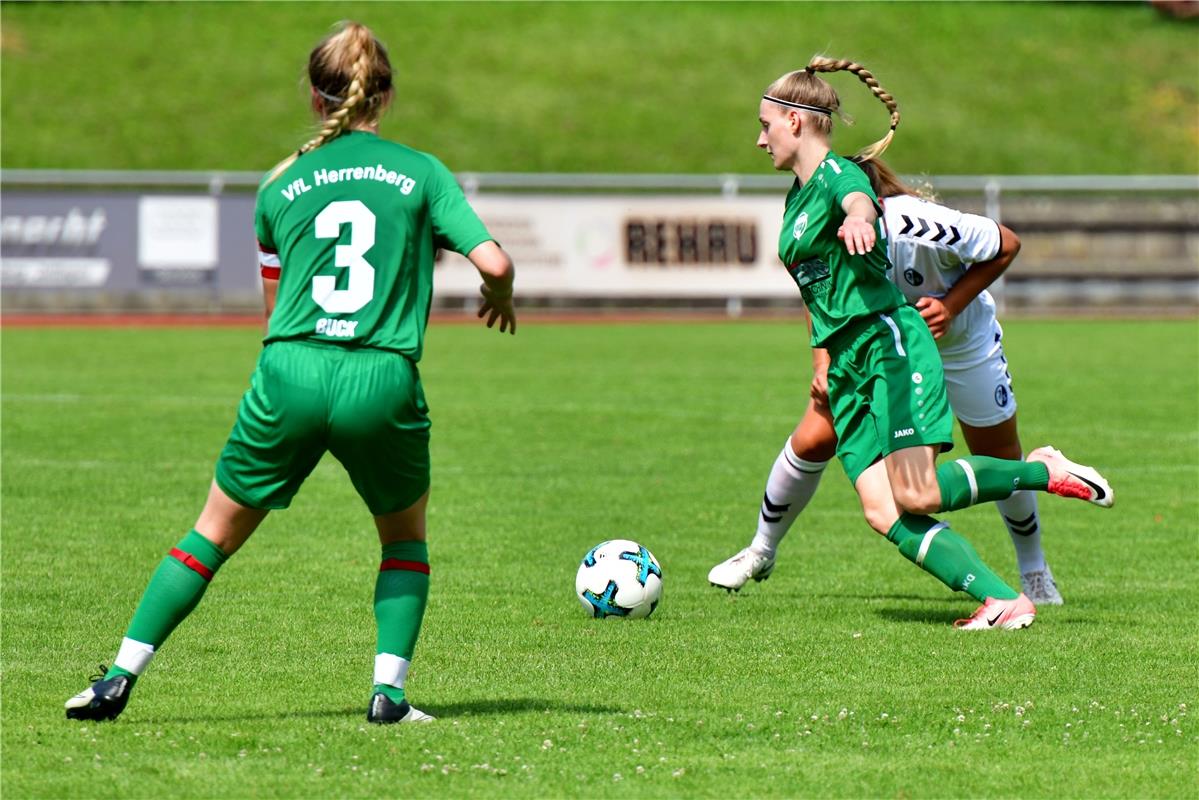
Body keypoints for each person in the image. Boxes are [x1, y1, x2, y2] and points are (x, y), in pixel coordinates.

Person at [65, 21, 516, 723]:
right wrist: (499, 296)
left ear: (315, 96)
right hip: (381, 376)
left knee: (210, 533)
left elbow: (275, 309)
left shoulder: (281, 183)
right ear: (386, 95)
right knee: (402, 539)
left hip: (291, 368)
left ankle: (118, 677)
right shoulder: (421, 172)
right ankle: (387, 695)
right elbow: (494, 262)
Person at [712, 57, 1111, 630]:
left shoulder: (839, 180)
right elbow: (817, 288)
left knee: (917, 494)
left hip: (885, 347)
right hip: (847, 364)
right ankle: (1002, 600)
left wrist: (858, 218)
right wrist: (822, 356)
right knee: (882, 511)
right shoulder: (796, 200)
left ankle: (1040, 471)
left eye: (765, 124)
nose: (759, 138)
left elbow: (858, 201)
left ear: (796, 122)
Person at [710, 158, 1065, 604]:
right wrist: (821, 364)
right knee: (815, 437)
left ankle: (1033, 569)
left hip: (962, 344)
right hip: (881, 349)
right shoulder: (831, 228)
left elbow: (1006, 244)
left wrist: (951, 305)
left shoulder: (917, 224)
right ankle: (761, 549)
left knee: (994, 454)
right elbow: (817, 292)